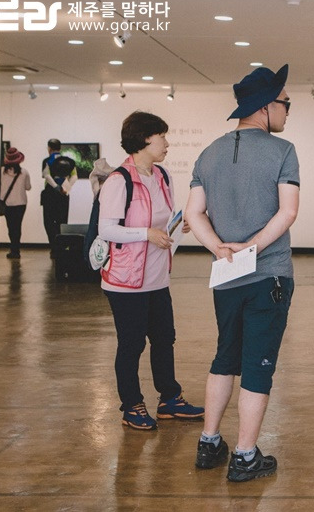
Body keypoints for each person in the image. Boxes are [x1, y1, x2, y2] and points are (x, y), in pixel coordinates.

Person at [185, 64, 300, 482]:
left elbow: (193, 213)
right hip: (268, 275)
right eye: (285, 103)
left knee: (224, 357)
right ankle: (246, 456)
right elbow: (288, 212)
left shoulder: (208, 153)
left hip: (226, 276)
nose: (287, 111)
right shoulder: (283, 150)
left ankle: (209, 442)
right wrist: (252, 248)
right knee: (257, 366)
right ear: (266, 106)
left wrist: (219, 248)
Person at [98, 111, 203, 430]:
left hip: (157, 277)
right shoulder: (119, 181)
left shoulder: (163, 175)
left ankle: (170, 399)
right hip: (126, 281)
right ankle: (131, 405)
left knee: (164, 338)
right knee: (132, 344)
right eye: (162, 136)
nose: (167, 143)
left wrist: (178, 225)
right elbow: (106, 229)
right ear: (145, 138)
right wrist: (145, 233)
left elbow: (164, 219)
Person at [41, 138, 77, 255]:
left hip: (49, 194)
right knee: (62, 221)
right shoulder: (69, 161)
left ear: (49, 148)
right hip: (64, 194)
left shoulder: (47, 161)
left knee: (49, 222)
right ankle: (61, 247)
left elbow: (47, 176)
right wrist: (65, 188)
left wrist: (56, 187)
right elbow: (74, 177)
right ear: (60, 148)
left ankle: (54, 247)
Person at [0, 147, 32, 259]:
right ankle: (16, 250)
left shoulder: (1, 172)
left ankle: (13, 249)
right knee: (17, 226)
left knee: (10, 227)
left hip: (7, 203)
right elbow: (28, 187)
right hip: (21, 203)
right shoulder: (24, 172)